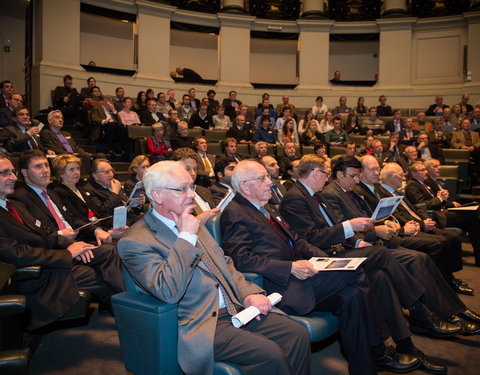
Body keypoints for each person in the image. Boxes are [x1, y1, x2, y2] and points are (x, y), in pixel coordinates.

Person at [221, 159, 421, 375]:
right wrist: (288, 267)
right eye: (263, 178)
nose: (271, 182)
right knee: (356, 273)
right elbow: (241, 259)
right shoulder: (235, 213)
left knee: (352, 295)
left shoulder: (266, 207)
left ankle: (365, 367)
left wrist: (326, 259)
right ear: (244, 186)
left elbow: (298, 242)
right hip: (280, 285)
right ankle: (379, 348)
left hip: (303, 275)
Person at [118, 160, 310, 374]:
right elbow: (168, 290)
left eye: (190, 187)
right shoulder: (135, 241)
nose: (191, 194)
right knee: (269, 354)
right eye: (182, 189)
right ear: (157, 195)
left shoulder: (191, 223)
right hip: (200, 323)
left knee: (297, 334)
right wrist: (186, 238)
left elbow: (225, 263)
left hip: (236, 308)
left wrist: (248, 293)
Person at [0, 152, 123, 329]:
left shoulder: (13, 206)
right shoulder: (19, 200)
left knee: (110, 254)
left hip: (52, 261)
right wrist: (67, 254)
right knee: (102, 274)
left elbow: (46, 234)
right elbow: (18, 254)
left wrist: (74, 246)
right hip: (37, 275)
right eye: (5, 173)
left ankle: (133, 314)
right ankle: (135, 315)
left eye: (12, 172)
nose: (12, 177)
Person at [406, 161, 480, 266]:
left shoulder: (424, 183)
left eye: (425, 169)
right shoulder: (412, 185)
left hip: (440, 212)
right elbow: (421, 205)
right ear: (413, 173)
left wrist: (442, 199)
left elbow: (434, 201)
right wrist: (440, 198)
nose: (426, 172)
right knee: (471, 215)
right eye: (422, 170)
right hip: (433, 216)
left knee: (472, 220)